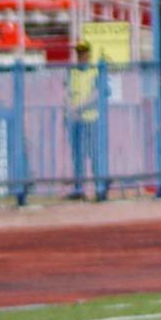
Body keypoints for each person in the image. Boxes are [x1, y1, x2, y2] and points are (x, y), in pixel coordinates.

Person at [66, 40, 107, 201]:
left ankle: (99, 189)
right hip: (76, 121)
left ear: (88, 54)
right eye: (79, 53)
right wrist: (69, 110)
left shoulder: (95, 71)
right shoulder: (72, 73)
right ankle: (79, 189)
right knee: (77, 156)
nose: (81, 56)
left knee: (95, 155)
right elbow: (67, 93)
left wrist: (79, 107)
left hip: (91, 119)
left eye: (84, 53)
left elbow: (97, 94)